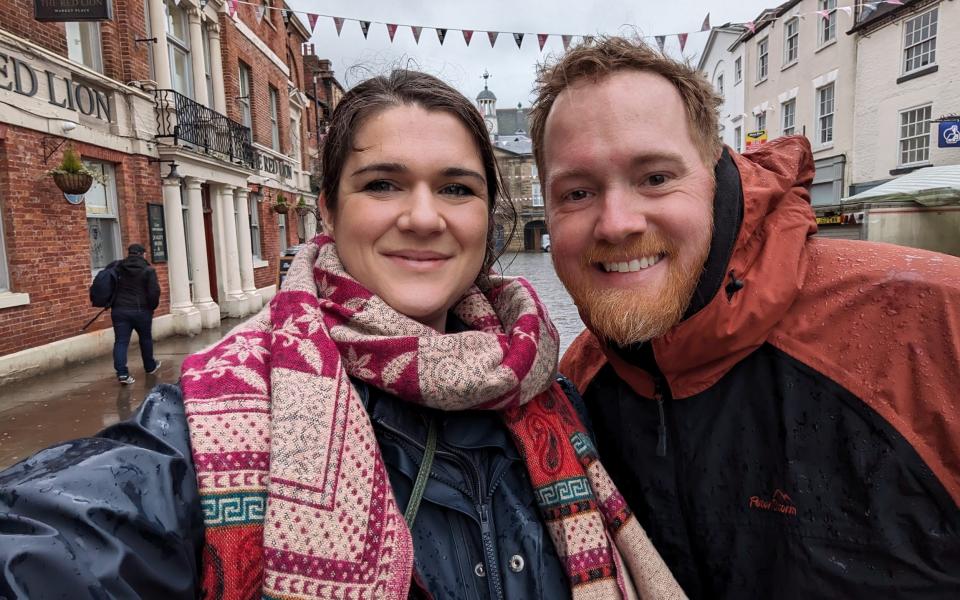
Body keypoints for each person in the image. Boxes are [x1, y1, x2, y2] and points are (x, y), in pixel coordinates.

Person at [0, 70, 684, 600]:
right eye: (383, 184)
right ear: (329, 208)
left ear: (487, 216)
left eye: (455, 189)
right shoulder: (221, 420)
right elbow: (58, 544)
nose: (423, 217)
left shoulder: (547, 393)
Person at [528, 36, 960, 599]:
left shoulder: (933, 320)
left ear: (715, 174)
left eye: (655, 177)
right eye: (578, 192)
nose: (615, 224)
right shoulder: (572, 390)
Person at [110, 243, 162, 384]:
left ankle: (122, 374)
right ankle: (150, 366)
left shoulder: (118, 267)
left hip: (119, 310)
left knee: (121, 341)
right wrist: (151, 307)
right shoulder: (148, 270)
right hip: (141, 311)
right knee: (145, 339)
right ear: (142, 254)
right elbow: (154, 292)